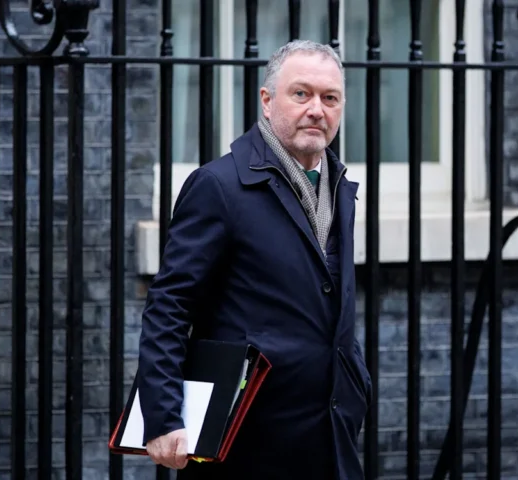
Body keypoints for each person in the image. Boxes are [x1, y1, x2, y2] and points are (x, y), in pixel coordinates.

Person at [137, 39, 372, 480]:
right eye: (301, 94)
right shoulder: (218, 186)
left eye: (330, 98)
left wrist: (357, 381)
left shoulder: (339, 188)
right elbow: (169, 306)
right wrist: (163, 416)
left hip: (330, 436)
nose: (316, 110)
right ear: (267, 101)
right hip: (247, 443)